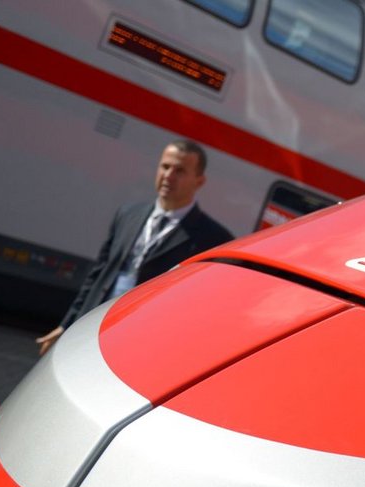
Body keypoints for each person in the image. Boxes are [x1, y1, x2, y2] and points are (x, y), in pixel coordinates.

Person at [35, 139, 233, 355]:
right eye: (165, 167)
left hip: (142, 345)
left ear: (199, 181)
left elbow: (200, 310)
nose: (168, 176)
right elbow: (98, 274)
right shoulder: (128, 214)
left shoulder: (214, 239)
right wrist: (67, 324)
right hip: (91, 330)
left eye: (180, 171)